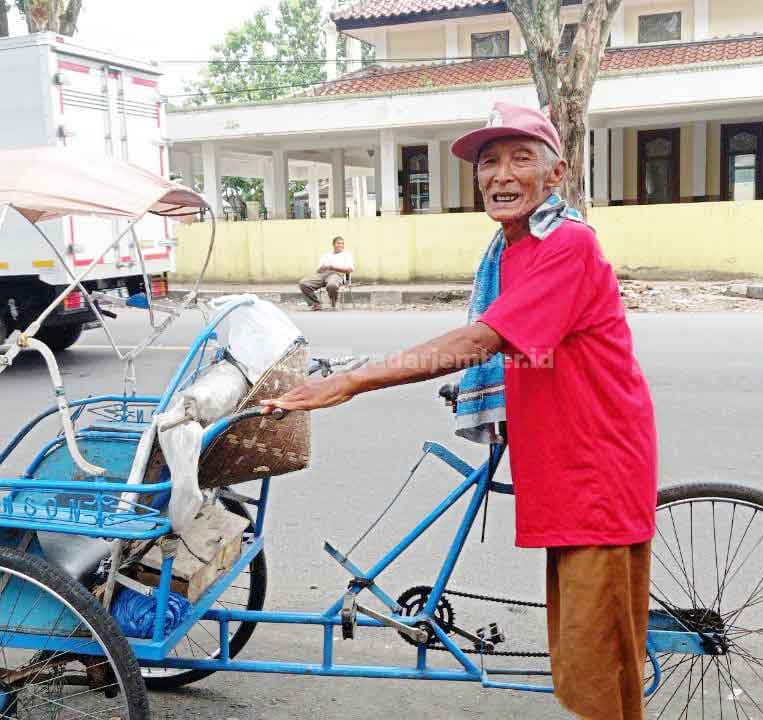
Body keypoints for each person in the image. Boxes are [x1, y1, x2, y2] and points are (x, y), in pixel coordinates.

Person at [264, 102, 657, 719]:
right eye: (489, 162)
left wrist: (353, 381)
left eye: (521, 159)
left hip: (594, 464)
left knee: (596, 664)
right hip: (559, 458)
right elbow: (510, 340)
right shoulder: (513, 246)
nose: (502, 174)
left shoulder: (567, 245)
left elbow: (482, 340)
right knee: (579, 649)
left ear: (555, 176)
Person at [299, 236, 355, 310]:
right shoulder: (326, 255)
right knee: (303, 283)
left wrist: (333, 267)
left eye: (342, 244)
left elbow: (350, 269)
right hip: (323, 275)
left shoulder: (346, 255)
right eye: (338, 243)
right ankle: (315, 304)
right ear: (333, 244)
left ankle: (333, 303)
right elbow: (318, 271)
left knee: (332, 285)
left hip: (337, 274)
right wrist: (322, 268)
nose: (340, 245)